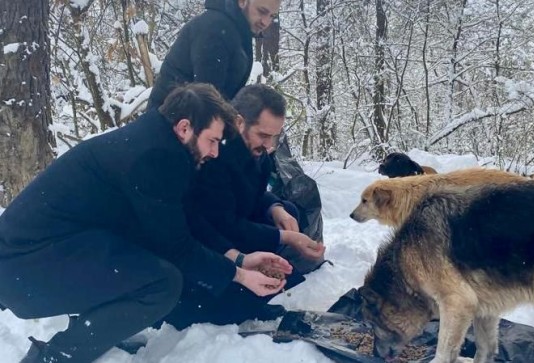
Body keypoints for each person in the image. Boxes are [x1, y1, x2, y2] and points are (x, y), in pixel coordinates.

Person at [0, 83, 292, 363]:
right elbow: (178, 248)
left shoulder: (157, 142)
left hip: (41, 255)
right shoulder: (154, 158)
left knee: (145, 262)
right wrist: (239, 275)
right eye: (212, 140)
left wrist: (238, 258)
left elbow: (183, 222)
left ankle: (97, 327)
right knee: (162, 283)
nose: (215, 152)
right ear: (184, 128)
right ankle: (55, 357)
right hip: (25, 265)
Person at [183, 84, 326, 322]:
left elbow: (254, 193)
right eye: (263, 135)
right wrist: (286, 238)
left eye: (274, 136)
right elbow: (225, 224)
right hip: (212, 239)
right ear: (239, 122)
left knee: (288, 211)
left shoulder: (255, 151)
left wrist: (275, 208)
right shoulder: (216, 157)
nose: (270, 146)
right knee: (235, 305)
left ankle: (257, 282)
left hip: (234, 224)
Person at [147, 0, 281, 110]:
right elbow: (207, 100)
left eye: (272, 16)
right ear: (242, 2)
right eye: (262, 11)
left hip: (182, 126)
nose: (265, 22)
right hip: (171, 129)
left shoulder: (234, 30)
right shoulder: (216, 29)